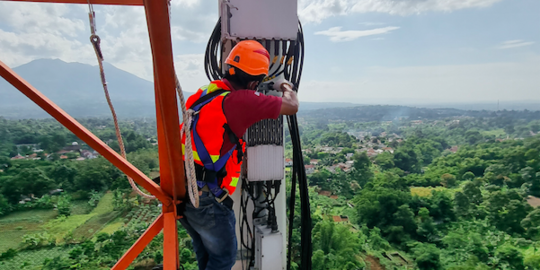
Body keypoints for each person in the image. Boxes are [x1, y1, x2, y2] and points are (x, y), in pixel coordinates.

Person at [177, 40, 299, 270]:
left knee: (206, 256)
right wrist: (284, 86)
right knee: (223, 260)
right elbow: (292, 106)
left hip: (186, 190)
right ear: (254, 81)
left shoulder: (207, 93)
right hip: (208, 198)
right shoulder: (240, 101)